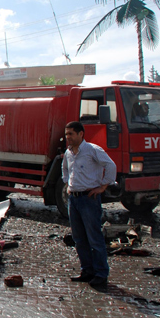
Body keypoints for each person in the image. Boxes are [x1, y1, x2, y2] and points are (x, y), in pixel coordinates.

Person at [62, 121, 117, 288]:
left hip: (89, 199)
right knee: (79, 238)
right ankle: (87, 271)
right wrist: (68, 185)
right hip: (74, 199)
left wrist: (103, 186)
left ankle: (101, 274)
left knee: (94, 238)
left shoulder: (92, 150)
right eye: (66, 134)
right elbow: (65, 169)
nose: (68, 137)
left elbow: (111, 165)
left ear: (81, 134)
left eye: (71, 134)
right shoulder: (69, 153)